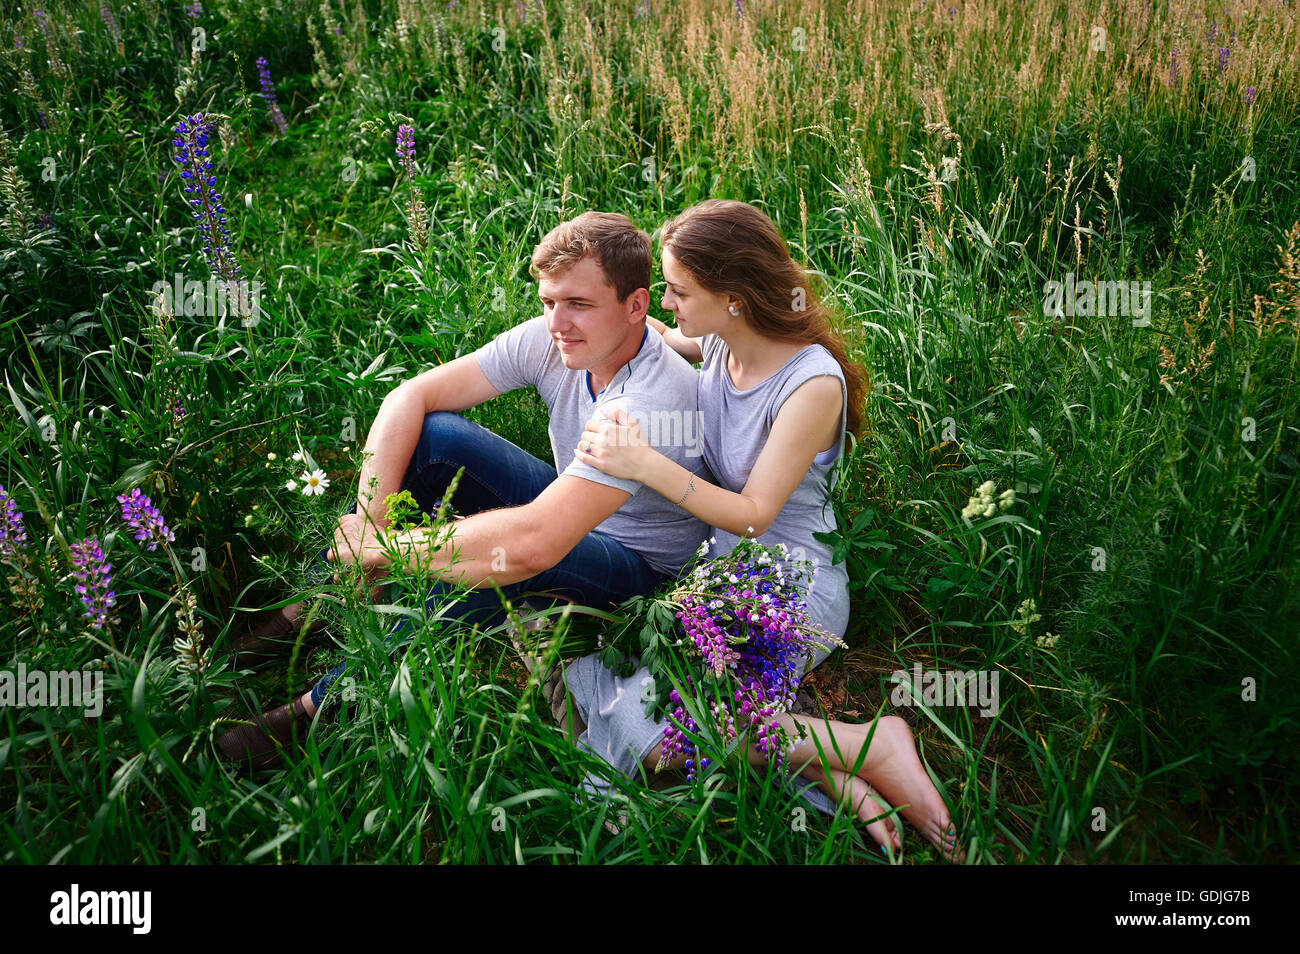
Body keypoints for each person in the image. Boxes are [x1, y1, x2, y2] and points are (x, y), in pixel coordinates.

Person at [217, 211, 711, 770]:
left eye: (578, 304)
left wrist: (390, 552)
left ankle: (324, 704)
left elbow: (533, 545)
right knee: (437, 438)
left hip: (640, 569)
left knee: (505, 563)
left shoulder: (648, 402)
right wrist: (368, 523)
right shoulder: (558, 338)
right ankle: (325, 604)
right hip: (569, 507)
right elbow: (409, 396)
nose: (557, 321)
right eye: (549, 301)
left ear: (636, 306)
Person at [564, 199, 963, 860]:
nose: (667, 302)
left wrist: (644, 463)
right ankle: (827, 764)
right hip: (723, 581)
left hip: (794, 588)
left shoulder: (811, 385)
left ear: (734, 298)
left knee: (663, 736)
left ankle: (874, 744)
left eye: (679, 291)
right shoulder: (721, 340)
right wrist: (578, 319)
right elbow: (659, 341)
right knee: (663, 719)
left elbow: (754, 513)